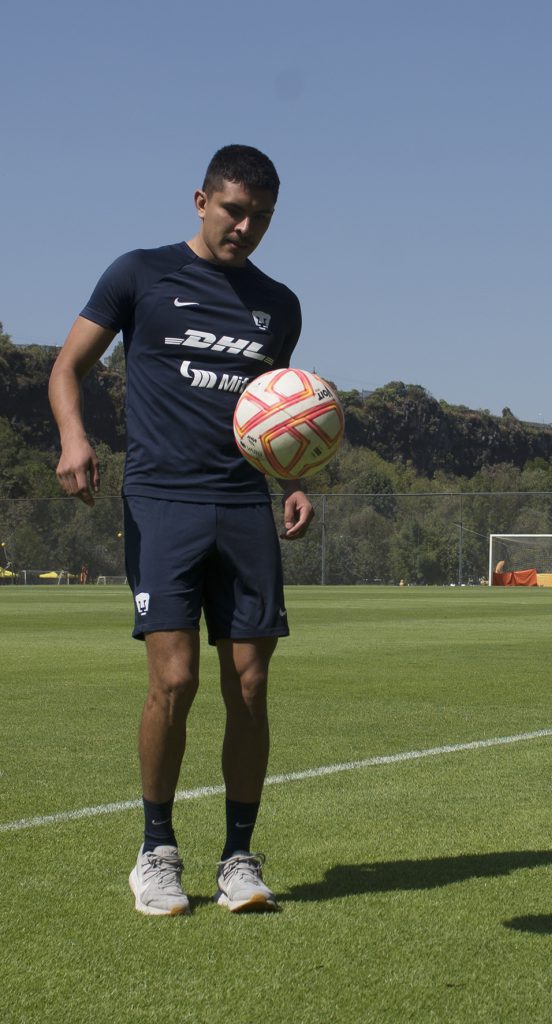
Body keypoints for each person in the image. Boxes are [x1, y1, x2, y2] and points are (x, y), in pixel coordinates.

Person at [49, 145, 314, 916]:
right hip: (162, 502)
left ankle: (239, 856)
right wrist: (74, 438)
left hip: (242, 506)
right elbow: (66, 368)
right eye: (234, 211)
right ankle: (155, 850)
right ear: (200, 200)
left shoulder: (279, 305)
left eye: (260, 217)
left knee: (251, 685)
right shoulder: (138, 274)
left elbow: (279, 412)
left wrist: (293, 481)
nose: (245, 228)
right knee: (175, 679)